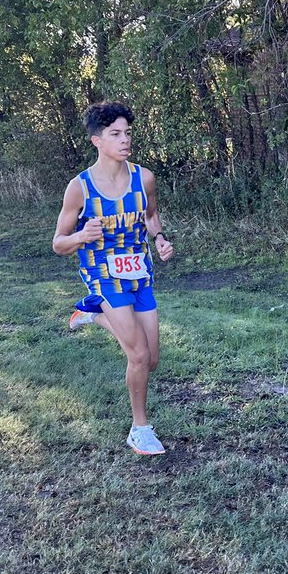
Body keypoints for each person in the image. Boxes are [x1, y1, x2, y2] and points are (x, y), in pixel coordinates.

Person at [52, 102, 176, 455]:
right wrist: (80, 236)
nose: (125, 141)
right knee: (137, 356)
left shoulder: (144, 178)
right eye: (115, 134)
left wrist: (160, 239)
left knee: (151, 359)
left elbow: (152, 216)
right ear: (97, 141)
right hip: (103, 275)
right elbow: (59, 243)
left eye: (128, 134)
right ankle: (140, 429)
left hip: (139, 273)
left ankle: (92, 315)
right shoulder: (80, 188)